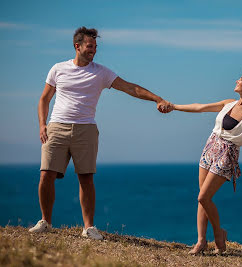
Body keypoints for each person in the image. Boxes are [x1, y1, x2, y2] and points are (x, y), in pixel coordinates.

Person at [29, 26, 172, 240]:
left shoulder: (101, 72)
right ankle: (46, 222)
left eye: (95, 47)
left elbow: (130, 88)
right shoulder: (58, 69)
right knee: (46, 174)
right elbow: (44, 99)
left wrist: (157, 98)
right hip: (56, 126)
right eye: (89, 46)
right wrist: (42, 124)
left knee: (86, 178)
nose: (93, 50)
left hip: (86, 129)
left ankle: (88, 228)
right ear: (77, 46)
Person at [171, 69, 242, 254]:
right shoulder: (227, 103)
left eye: (241, 79)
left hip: (227, 155)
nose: (236, 80)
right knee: (202, 200)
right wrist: (174, 106)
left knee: (203, 197)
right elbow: (200, 107)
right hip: (209, 149)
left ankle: (219, 237)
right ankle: (201, 242)